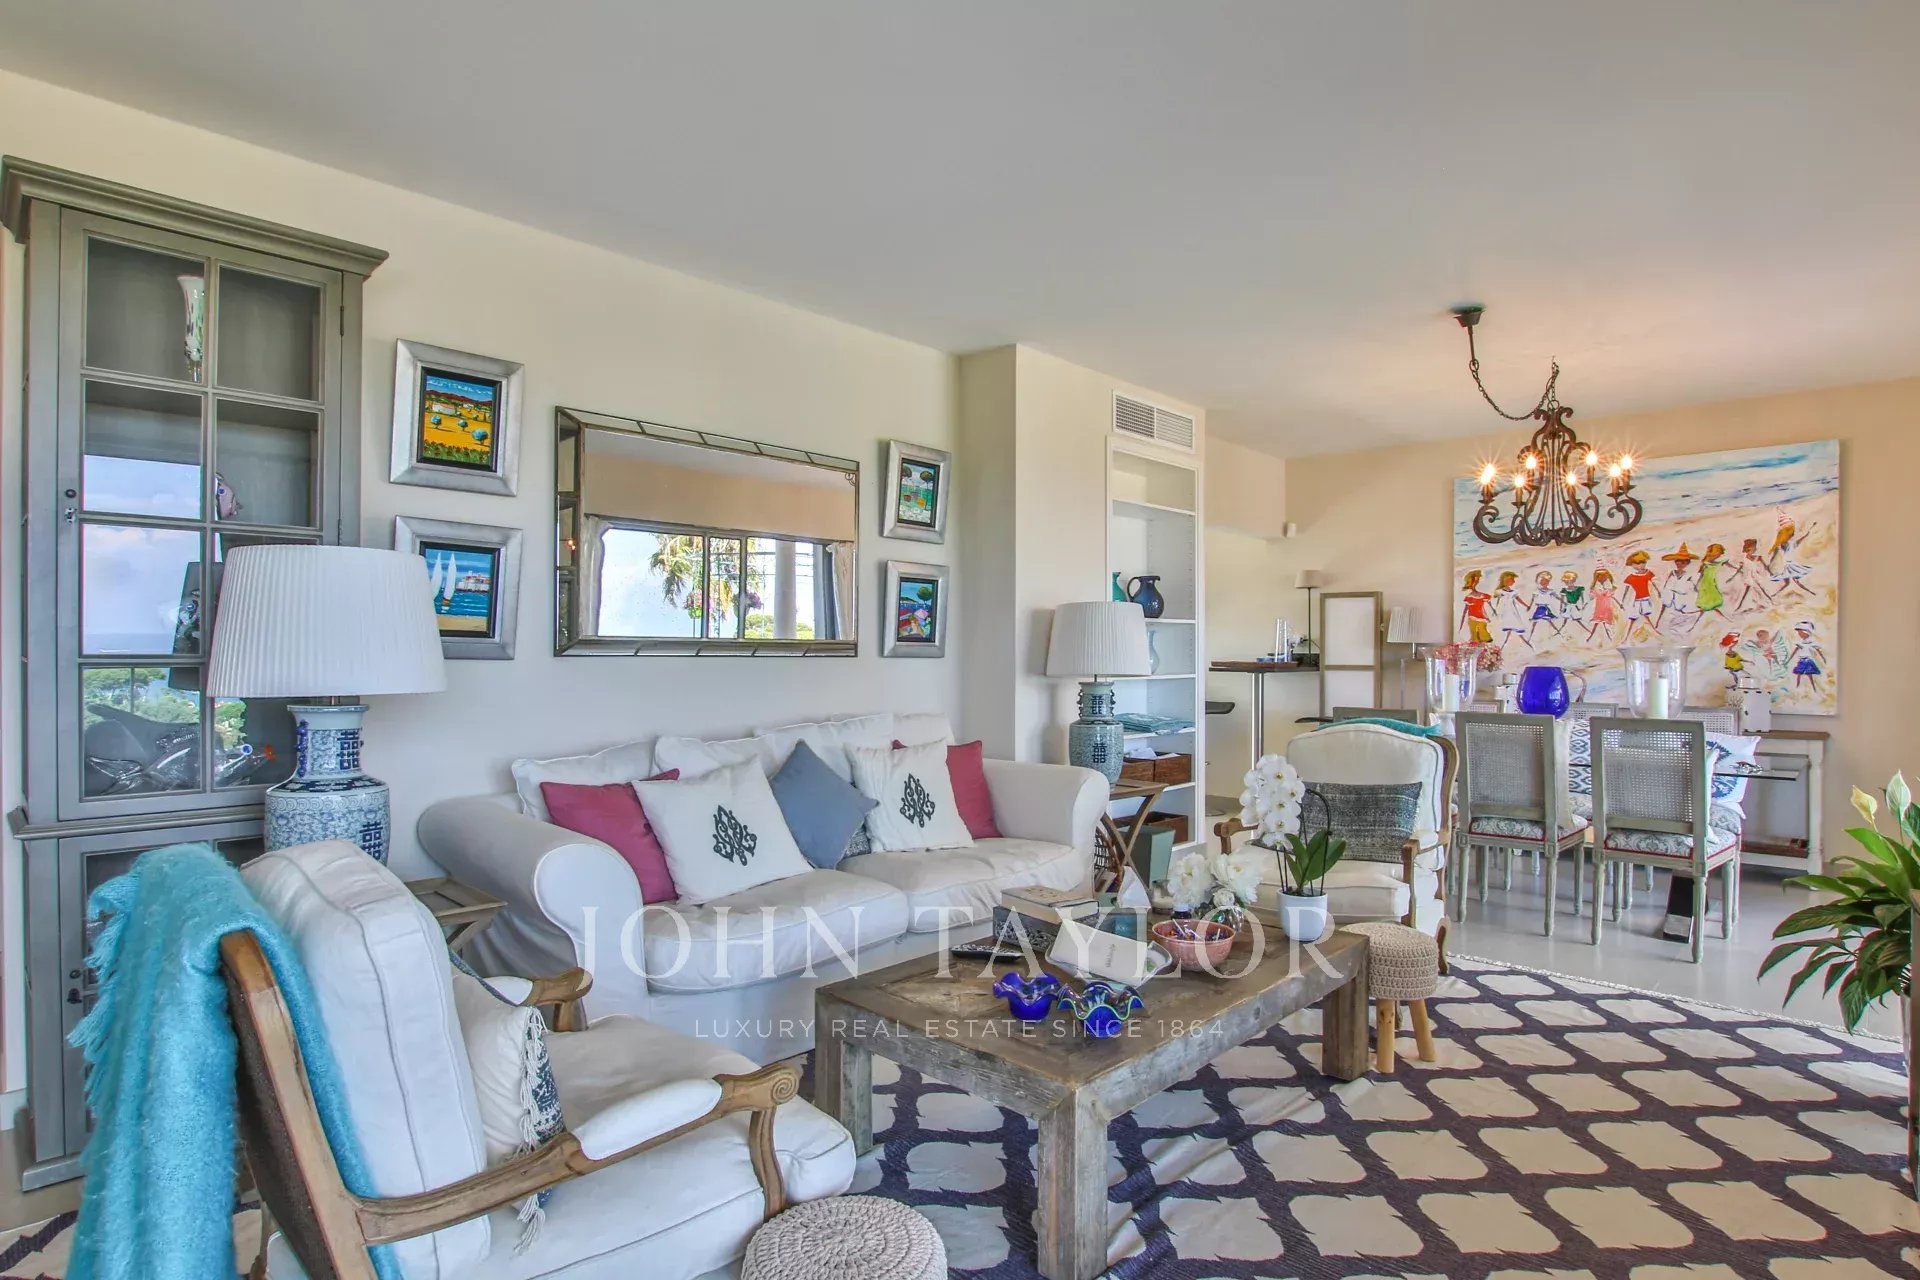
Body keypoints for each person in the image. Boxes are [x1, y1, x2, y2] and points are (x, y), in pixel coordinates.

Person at [1768, 516, 1817, 599]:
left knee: (1793, 582)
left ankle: (1810, 592)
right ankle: (1775, 594)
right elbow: (1776, 556)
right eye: (1791, 533)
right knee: (1790, 582)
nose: (1792, 534)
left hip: (1791, 565)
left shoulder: (1788, 544)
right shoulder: (1782, 545)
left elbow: (1799, 541)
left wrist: (1808, 532)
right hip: (1786, 566)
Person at [1656, 544, 1699, 631]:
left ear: (1687, 563)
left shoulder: (1691, 575)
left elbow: (1695, 591)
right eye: (1678, 561)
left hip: (1684, 609)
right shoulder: (1671, 574)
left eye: (1683, 562)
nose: (1679, 563)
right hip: (1670, 608)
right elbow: (1665, 591)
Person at [1726, 536, 1775, 613]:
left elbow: (1765, 566)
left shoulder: (1758, 557)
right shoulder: (1745, 558)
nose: (1753, 550)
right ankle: (1742, 606)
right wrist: (1732, 577)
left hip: (1754, 577)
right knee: (1752, 591)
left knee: (1759, 590)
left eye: (1754, 549)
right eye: (1751, 549)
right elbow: (1740, 568)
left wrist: (1770, 572)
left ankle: (1769, 602)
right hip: (1748, 577)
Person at [1622, 551, 1658, 636]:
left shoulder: (1648, 573)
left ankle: (1654, 630)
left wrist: (1658, 592)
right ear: (1633, 565)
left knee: (1646, 616)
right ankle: (1627, 635)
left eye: (1643, 562)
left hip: (1646, 599)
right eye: (1637, 563)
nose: (1641, 565)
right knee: (1633, 618)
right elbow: (1626, 590)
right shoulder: (1631, 577)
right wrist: (1622, 601)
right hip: (1636, 600)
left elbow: (1654, 583)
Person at [1494, 570, 1532, 649]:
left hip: (1512, 612)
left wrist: (1527, 606)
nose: (1514, 581)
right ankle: (1502, 646)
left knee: (1515, 627)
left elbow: (1519, 599)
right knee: (1507, 631)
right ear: (1506, 580)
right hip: (1505, 613)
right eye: (1512, 580)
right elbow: (1497, 601)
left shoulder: (1513, 591)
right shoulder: (1500, 591)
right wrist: (1496, 611)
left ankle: (1526, 645)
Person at [1787, 619, 1826, 693]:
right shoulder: (1800, 643)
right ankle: (1797, 687)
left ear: (1807, 632)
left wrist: (1823, 658)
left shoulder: (1812, 642)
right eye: (1799, 633)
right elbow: (1794, 651)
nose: (1799, 634)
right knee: (1799, 674)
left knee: (1809, 675)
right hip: (1801, 660)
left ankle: (1813, 688)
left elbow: (1818, 651)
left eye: (1801, 632)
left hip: (1808, 660)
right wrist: (1789, 659)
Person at [1585, 566, 1620, 641]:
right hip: (1599, 608)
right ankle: (1591, 637)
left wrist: (1620, 604)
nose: (1602, 578)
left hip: (1607, 607)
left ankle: (1610, 637)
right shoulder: (1596, 588)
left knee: (1606, 624)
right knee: (1597, 623)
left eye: (1604, 576)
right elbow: (1591, 597)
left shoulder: (1608, 587)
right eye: (1599, 576)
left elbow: (1613, 596)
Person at [1458, 569, 1493, 644]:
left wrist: (1490, 615)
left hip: (1481, 617)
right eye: (1475, 581)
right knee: (1474, 637)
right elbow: (1465, 611)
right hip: (1472, 618)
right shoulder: (1469, 597)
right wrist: (1462, 623)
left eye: (1477, 581)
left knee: (1483, 635)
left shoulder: (1483, 595)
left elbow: (1490, 607)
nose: (1477, 583)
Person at [1695, 543, 1727, 619]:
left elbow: (1716, 564)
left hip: (1712, 583)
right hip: (1706, 584)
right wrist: (1697, 584)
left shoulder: (1713, 562)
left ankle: (1721, 615)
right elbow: (1701, 574)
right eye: (1718, 553)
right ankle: (1700, 616)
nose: (1719, 555)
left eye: (1720, 553)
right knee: (1706, 601)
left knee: (1712, 600)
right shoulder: (1706, 563)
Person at [1527, 570, 1562, 640]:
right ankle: (1530, 636)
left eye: (1547, 581)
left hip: (1546, 608)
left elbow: (1557, 597)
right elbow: (1533, 599)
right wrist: (1529, 606)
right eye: (1543, 581)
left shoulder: (1550, 591)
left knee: (1549, 621)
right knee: (1535, 622)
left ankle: (1558, 633)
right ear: (1540, 581)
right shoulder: (1537, 591)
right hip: (1539, 608)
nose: (1545, 583)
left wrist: (1563, 601)